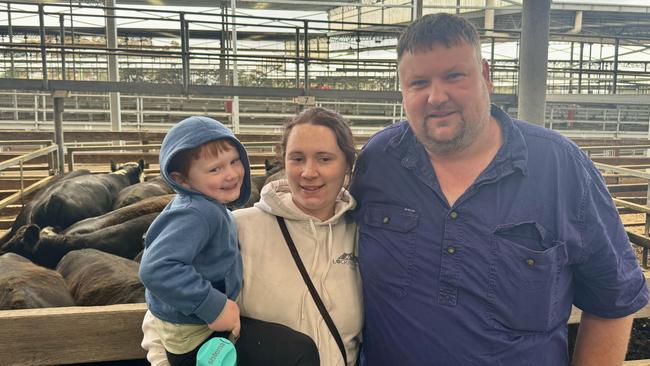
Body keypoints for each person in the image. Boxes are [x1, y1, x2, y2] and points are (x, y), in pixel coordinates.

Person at [350, 13, 649, 366]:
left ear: (486, 77)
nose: (436, 96)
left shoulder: (560, 167)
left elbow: (612, 300)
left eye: (454, 76)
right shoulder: (380, 160)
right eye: (418, 83)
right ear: (403, 90)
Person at [142, 107, 363, 366]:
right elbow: (161, 320)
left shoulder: (365, 236)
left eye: (324, 159)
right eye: (297, 158)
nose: (308, 172)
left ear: (347, 164)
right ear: (283, 161)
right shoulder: (239, 227)